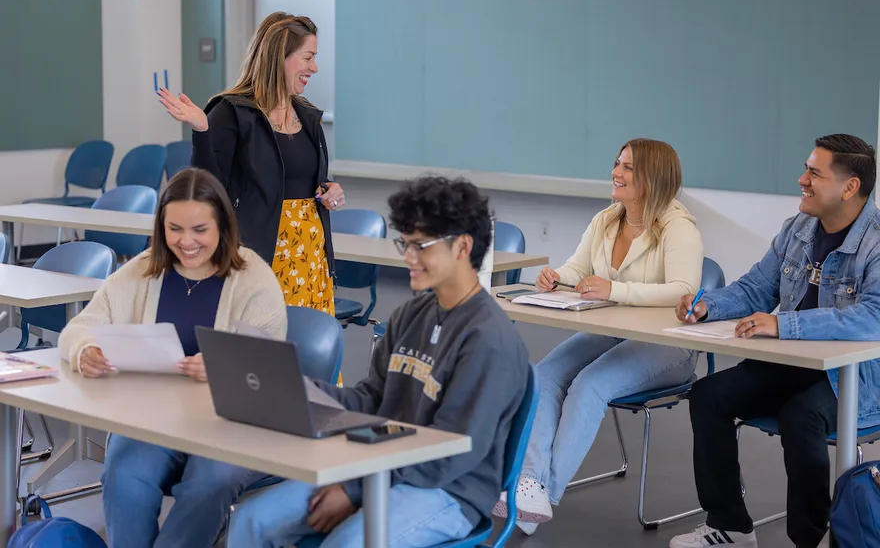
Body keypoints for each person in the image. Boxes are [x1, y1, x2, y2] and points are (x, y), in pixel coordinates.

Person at [224, 176, 530, 548]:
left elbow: (449, 451)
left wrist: (355, 489)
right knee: (252, 521)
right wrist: (295, 390)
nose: (408, 258)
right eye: (406, 243)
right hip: (380, 467)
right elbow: (371, 398)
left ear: (462, 247)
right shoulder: (410, 314)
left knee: (346, 544)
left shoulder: (490, 340)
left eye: (421, 246)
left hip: (449, 491)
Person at [669, 134, 880, 548]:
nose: (802, 179)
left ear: (849, 187)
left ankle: (812, 538)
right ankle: (729, 525)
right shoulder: (799, 228)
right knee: (708, 396)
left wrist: (785, 327)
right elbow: (756, 289)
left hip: (861, 375)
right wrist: (707, 306)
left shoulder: (876, 242)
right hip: (798, 363)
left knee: (801, 418)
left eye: (814, 173)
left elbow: (873, 317)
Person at [58, 168, 288, 548]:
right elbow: (80, 327)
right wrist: (86, 352)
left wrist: (224, 367)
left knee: (210, 482)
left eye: (200, 229)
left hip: (231, 425)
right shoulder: (140, 272)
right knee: (124, 475)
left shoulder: (254, 279)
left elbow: (268, 365)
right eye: (175, 228)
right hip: (154, 421)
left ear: (222, 227)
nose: (187, 241)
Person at [494, 138, 703, 536]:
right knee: (542, 375)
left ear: (652, 178)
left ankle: (545, 492)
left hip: (669, 344)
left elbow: (682, 291)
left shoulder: (680, 227)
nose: (615, 173)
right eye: (616, 164)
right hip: (613, 331)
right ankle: (530, 482)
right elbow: (577, 268)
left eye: (627, 168)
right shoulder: (606, 219)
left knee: (590, 384)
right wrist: (556, 278)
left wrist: (613, 290)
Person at [157, 12, 343, 315]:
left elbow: (308, 181)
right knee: (260, 353)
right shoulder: (231, 112)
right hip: (259, 255)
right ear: (279, 57)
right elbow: (210, 189)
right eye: (308, 57)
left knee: (308, 351)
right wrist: (202, 132)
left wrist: (330, 190)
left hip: (310, 255)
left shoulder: (307, 117)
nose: (315, 67)